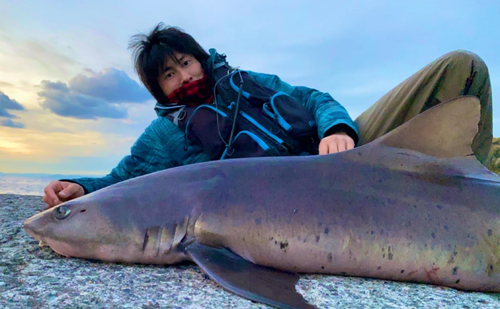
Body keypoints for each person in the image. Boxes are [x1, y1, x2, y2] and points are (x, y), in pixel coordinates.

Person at [42, 23, 493, 208]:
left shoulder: (248, 81)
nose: (183, 76)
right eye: (168, 74)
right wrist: (80, 187)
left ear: (200, 58)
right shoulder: (163, 135)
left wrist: (336, 127)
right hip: (292, 201)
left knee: (461, 66)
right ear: (157, 88)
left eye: (185, 62)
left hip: (344, 158)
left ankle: (477, 190)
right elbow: (125, 178)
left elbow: (312, 97)